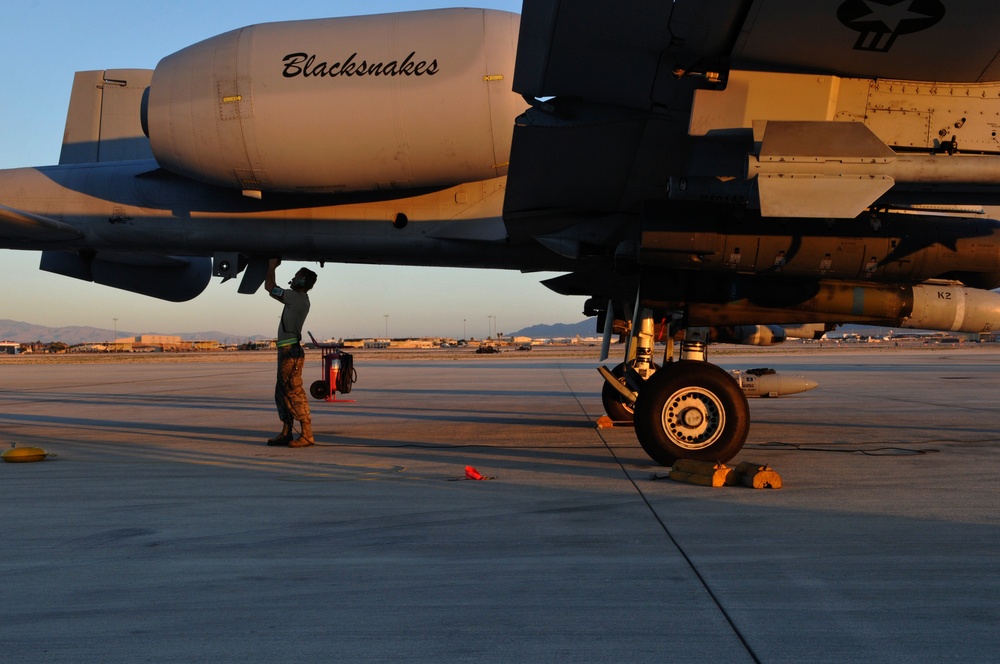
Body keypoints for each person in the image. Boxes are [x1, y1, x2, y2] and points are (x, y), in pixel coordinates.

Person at [264, 259, 318, 447]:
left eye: (296, 277)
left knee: (293, 392)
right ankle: (287, 432)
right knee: (281, 393)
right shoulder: (298, 299)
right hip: (286, 350)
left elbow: (269, 286)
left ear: (302, 281)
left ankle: (307, 434)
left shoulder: (295, 297)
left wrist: (271, 266)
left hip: (290, 353)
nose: (293, 280)